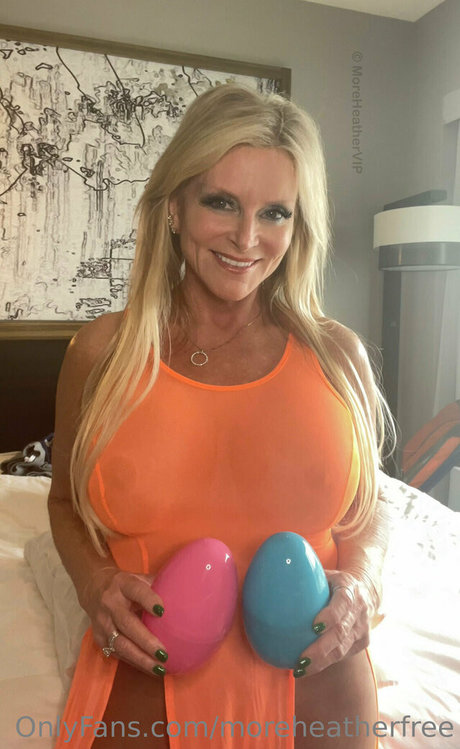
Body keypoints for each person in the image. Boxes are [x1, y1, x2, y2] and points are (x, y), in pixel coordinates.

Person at [48, 84, 395, 749]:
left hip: (321, 702)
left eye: (275, 213)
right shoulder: (103, 354)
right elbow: (63, 501)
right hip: (145, 697)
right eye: (222, 202)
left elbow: (372, 505)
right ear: (174, 207)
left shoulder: (337, 355)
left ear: (298, 226)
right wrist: (94, 583)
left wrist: (366, 581)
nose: (247, 238)